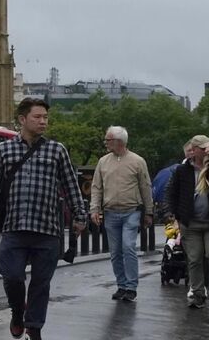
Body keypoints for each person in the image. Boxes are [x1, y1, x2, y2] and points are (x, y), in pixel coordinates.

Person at [0, 98, 89, 340]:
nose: (43, 122)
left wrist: (80, 216)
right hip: (14, 227)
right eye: (37, 117)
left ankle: (34, 327)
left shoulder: (56, 150)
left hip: (47, 229)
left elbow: (71, 187)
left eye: (45, 118)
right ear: (22, 119)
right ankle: (18, 313)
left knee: (41, 283)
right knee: (12, 277)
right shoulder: (4, 150)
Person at [90, 125, 153, 302]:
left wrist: (149, 212)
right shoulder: (103, 162)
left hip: (131, 211)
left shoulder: (137, 161)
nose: (105, 143)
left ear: (118, 141)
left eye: (108, 140)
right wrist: (94, 208)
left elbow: (145, 187)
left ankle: (131, 287)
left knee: (128, 246)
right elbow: (96, 187)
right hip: (110, 212)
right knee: (115, 252)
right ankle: (122, 285)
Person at [171, 134, 209, 309]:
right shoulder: (182, 171)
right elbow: (173, 193)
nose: (207, 150)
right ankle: (198, 293)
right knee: (194, 258)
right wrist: (176, 215)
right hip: (190, 223)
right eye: (204, 148)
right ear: (195, 150)